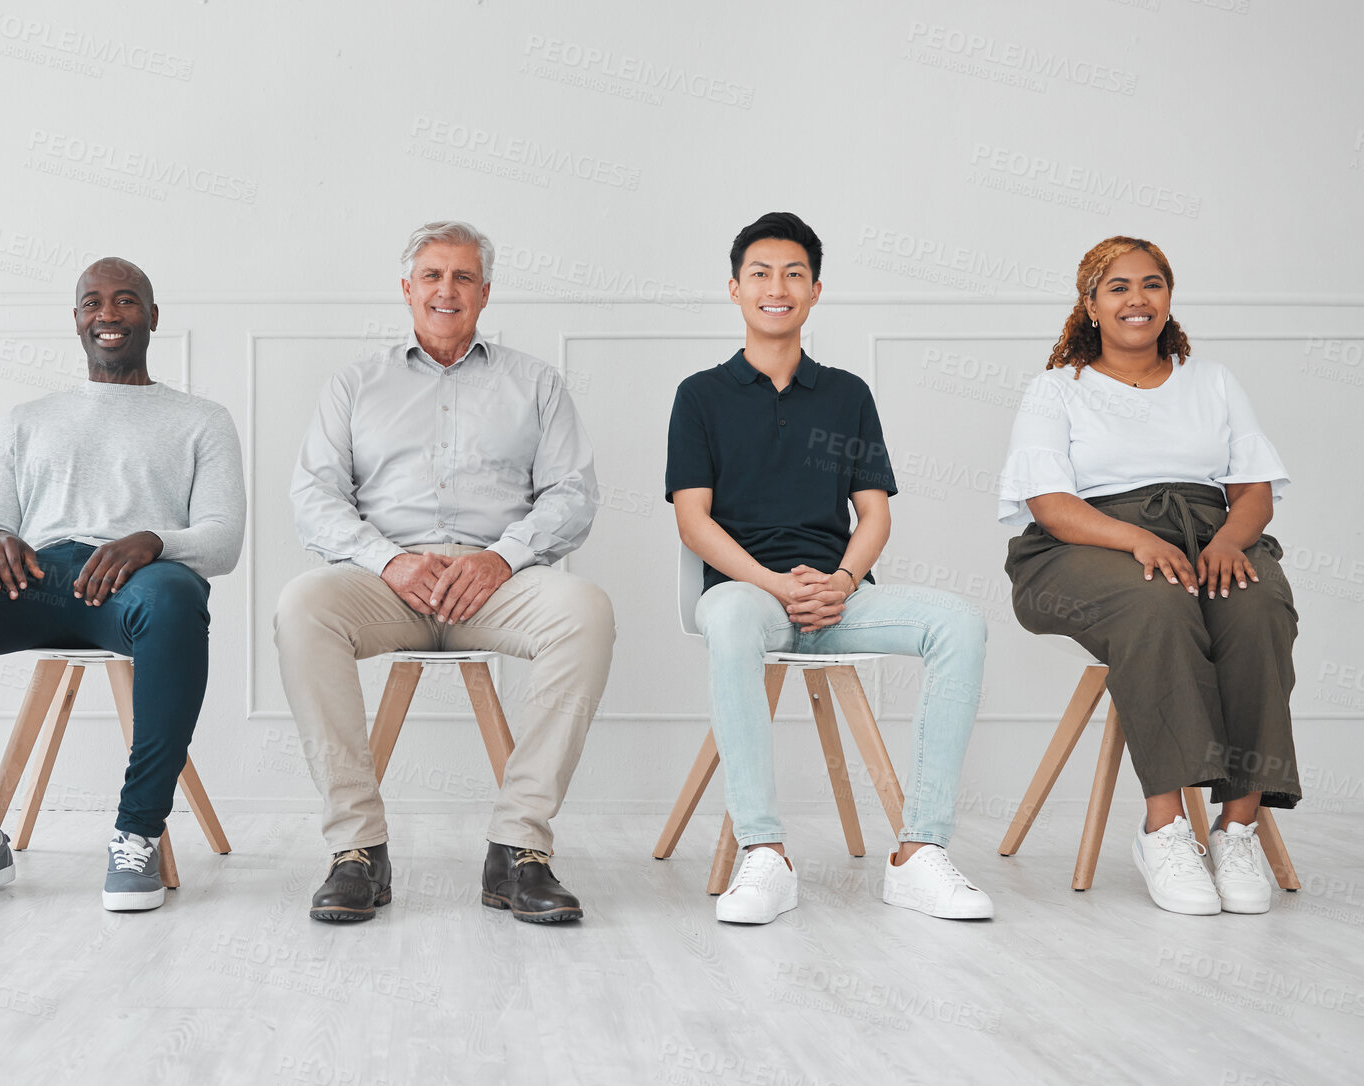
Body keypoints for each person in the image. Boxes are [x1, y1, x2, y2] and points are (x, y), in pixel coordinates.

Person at [0, 257, 244, 913]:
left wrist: (153, 541)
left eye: (126, 300)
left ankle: (137, 834)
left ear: (153, 317)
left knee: (176, 597)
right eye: (93, 303)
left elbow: (223, 540)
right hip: (38, 580)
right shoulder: (29, 418)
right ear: (77, 319)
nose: (108, 314)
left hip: (135, 584)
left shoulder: (202, 419)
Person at [275, 220, 614, 925]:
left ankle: (520, 849)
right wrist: (389, 561)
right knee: (302, 605)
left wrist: (499, 559)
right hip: (385, 582)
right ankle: (356, 850)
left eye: (463, 277)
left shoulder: (536, 383)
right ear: (406, 289)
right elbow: (313, 497)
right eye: (432, 276)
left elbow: (572, 494)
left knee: (586, 610)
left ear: (485, 293)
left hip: (499, 582)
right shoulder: (354, 385)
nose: (446, 290)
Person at [668, 212, 994, 926]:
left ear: (815, 291)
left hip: (839, 598)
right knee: (723, 615)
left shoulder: (847, 394)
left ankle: (919, 853)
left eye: (793, 275)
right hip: (749, 597)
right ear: (734, 289)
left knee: (961, 623)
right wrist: (775, 585)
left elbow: (874, 516)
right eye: (760, 274)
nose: (776, 288)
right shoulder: (700, 396)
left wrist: (842, 582)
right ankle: (765, 854)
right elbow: (694, 521)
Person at [999, 235, 1296, 916]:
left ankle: (1238, 827)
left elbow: (1253, 490)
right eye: (1118, 287)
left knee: (1258, 604)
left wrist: (1226, 542)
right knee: (1155, 604)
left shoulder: (1213, 381)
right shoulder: (1056, 389)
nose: (1138, 299)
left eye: (1153, 284)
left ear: (1169, 297)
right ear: (1091, 305)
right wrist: (1135, 538)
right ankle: (1164, 829)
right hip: (1079, 546)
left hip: (1206, 536)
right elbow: (1050, 504)